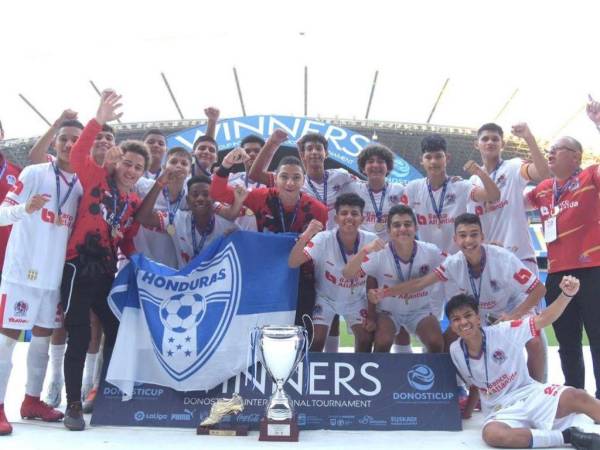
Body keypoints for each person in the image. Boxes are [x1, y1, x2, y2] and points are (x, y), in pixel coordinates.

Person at [60, 91, 148, 430]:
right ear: (117, 162)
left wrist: (144, 266)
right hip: (77, 266)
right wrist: (99, 118)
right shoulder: (96, 178)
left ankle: (105, 392)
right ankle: (72, 405)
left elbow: (127, 238)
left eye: (138, 168)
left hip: (107, 272)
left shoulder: (132, 199)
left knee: (115, 328)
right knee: (79, 335)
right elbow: (80, 152)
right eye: (127, 163)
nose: (131, 170)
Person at [371, 213, 547, 382]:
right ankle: (456, 388)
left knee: (535, 340)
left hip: (511, 307)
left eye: (473, 235)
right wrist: (385, 292)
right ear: (455, 240)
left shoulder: (504, 259)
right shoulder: (453, 263)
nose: (468, 241)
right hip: (481, 313)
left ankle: (536, 391)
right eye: (463, 236)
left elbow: (539, 289)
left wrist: (514, 315)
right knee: (446, 342)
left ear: (482, 237)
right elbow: (420, 283)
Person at [0, 117, 83, 435]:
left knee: (42, 343)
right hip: (21, 274)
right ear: (55, 141)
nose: (70, 144)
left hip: (52, 279)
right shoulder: (34, 173)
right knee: (6, 343)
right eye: (65, 138)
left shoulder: (81, 184)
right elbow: (2, 214)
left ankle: (32, 401)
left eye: (76, 139)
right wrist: (24, 209)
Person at [447, 279, 600, 449]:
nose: (463, 322)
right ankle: (568, 436)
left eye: (468, 315)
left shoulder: (504, 331)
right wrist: (467, 412)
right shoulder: (455, 350)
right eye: (456, 319)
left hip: (528, 393)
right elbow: (476, 384)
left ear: (478, 318)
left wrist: (566, 295)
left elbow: (542, 318)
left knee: (578, 396)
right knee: (493, 435)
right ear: (452, 326)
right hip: (500, 410)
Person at [249, 130, 357, 352]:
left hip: (331, 250)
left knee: (328, 304)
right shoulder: (291, 177)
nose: (315, 152)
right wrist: (273, 142)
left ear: (326, 153)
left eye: (319, 148)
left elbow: (368, 187)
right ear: (302, 154)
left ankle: (329, 360)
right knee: (299, 311)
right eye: (309, 149)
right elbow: (256, 173)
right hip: (304, 251)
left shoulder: (342, 176)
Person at [211, 146, 327, 326]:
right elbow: (217, 193)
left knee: (301, 329)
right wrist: (226, 164)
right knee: (264, 328)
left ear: (304, 180)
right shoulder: (260, 197)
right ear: (275, 178)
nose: (290, 183)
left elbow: (319, 251)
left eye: (296, 177)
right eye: (284, 177)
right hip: (266, 273)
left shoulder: (318, 210)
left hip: (300, 278)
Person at [525, 129, 600, 400]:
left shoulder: (590, 175)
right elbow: (509, 200)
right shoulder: (544, 189)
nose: (551, 152)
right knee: (567, 343)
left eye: (558, 149)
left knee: (598, 338)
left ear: (576, 156)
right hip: (556, 275)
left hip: (593, 270)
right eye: (550, 149)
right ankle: (575, 396)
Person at [343, 205, 446, 353]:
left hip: (420, 310)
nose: (403, 229)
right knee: (383, 341)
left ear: (416, 228)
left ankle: (432, 375)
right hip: (388, 311)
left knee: (436, 342)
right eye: (397, 225)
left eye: (407, 224)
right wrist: (365, 250)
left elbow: (455, 262)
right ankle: (379, 374)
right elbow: (347, 273)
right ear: (389, 231)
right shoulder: (379, 254)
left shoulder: (431, 251)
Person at [288, 193, 376, 352]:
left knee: (365, 339)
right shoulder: (322, 239)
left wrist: (372, 312)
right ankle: (315, 376)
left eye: (354, 213)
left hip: (356, 300)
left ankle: (358, 375)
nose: (349, 217)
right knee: (316, 341)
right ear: (335, 219)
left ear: (362, 219)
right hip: (325, 299)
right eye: (344, 213)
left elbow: (376, 277)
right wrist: (307, 234)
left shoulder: (371, 241)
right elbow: (293, 262)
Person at [467, 122, 550, 277]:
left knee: (529, 302)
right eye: (485, 139)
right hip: (487, 263)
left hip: (519, 259)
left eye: (495, 139)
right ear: (476, 145)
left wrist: (529, 138)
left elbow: (543, 173)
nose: (490, 142)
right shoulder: (472, 181)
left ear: (502, 144)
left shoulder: (513, 167)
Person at [403, 134, 500, 254]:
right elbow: (398, 217)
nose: (433, 161)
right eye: (428, 157)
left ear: (447, 158)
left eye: (438, 156)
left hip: (457, 261)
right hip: (428, 261)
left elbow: (493, 196)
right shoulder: (413, 188)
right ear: (421, 161)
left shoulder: (461, 186)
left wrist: (479, 172)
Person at [136, 173, 240, 268]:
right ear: (187, 200)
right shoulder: (176, 220)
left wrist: (236, 238)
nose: (200, 198)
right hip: (185, 285)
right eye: (195, 195)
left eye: (205, 194)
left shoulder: (229, 228)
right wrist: (158, 185)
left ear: (214, 199)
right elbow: (143, 217)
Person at [190, 107, 220, 177]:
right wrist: (212, 121)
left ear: (216, 158)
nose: (206, 152)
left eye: (212, 150)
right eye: (202, 148)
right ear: (192, 153)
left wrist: (212, 121)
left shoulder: (222, 181)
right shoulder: (181, 179)